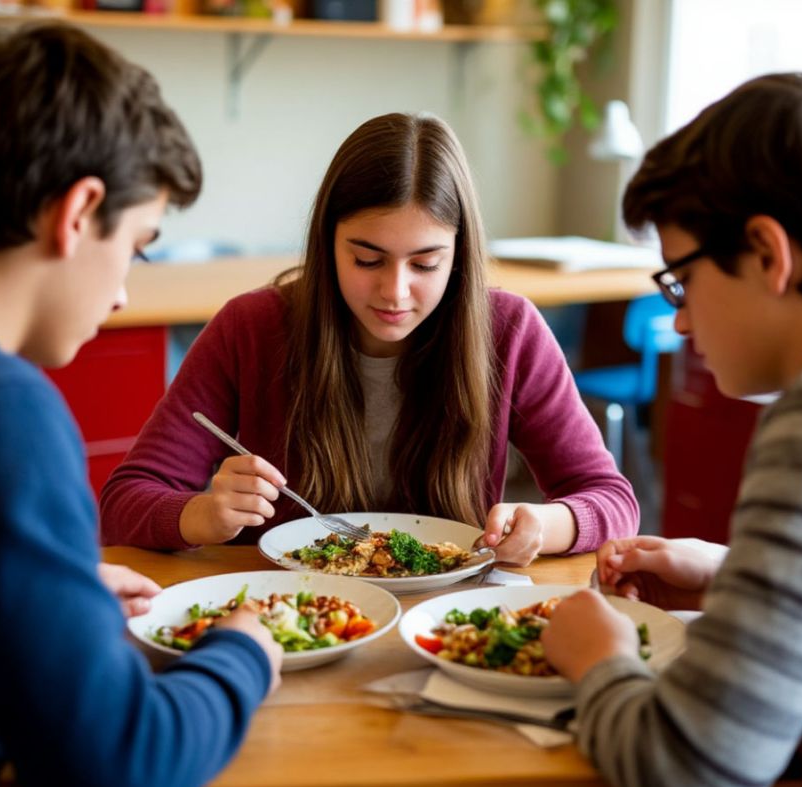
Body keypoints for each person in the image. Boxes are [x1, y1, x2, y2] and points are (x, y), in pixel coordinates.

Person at [0, 24, 283, 787]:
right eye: (137, 245)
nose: (125, 291)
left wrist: (44, 590)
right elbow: (120, 767)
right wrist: (244, 653)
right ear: (79, 212)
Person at [540, 72, 802, 787]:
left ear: (768, 255)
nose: (679, 321)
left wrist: (598, 657)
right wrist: (738, 573)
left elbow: (688, 771)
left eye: (681, 280)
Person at [99, 112, 639, 564]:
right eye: (366, 259)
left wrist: (545, 524)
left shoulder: (508, 330)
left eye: (426, 263)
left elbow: (612, 501)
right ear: (327, 242)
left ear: (459, 256)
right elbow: (122, 502)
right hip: (287, 616)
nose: (395, 292)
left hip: (443, 620)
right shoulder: (253, 328)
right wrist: (199, 514)